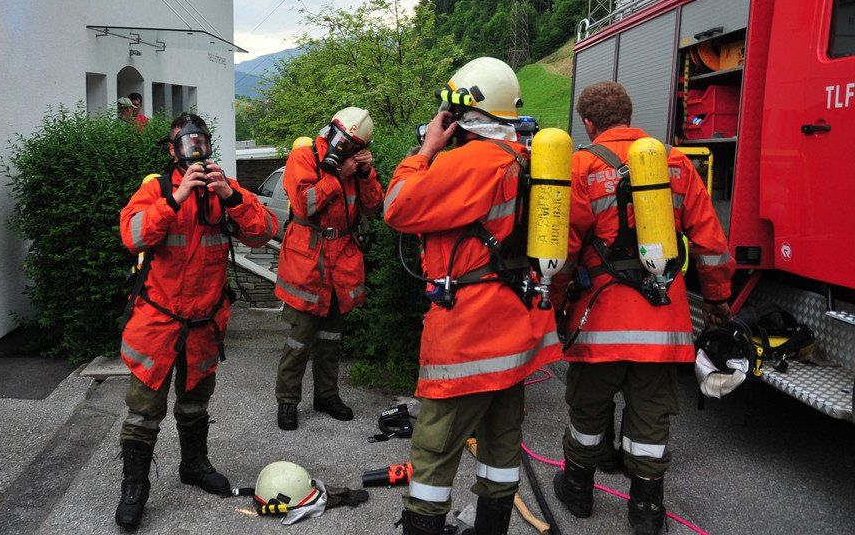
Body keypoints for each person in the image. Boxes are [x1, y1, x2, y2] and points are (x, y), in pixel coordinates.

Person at [383, 57, 562, 535]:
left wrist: (426, 150)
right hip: (516, 331)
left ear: (460, 114)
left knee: (433, 450)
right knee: (502, 448)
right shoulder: (527, 159)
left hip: (468, 335)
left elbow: (396, 206)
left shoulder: (470, 161)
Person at [549, 82, 735, 535]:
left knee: (588, 409)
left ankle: (578, 490)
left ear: (588, 123)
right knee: (651, 415)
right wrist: (716, 299)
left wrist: (554, 305)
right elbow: (710, 242)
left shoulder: (580, 167)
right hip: (661, 320)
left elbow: (563, 251)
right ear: (630, 116)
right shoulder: (674, 163)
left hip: (599, 319)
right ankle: (647, 510)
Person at [115, 112, 277, 531]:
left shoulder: (224, 189)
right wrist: (176, 198)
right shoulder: (156, 189)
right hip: (159, 321)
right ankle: (134, 487)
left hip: (204, 323)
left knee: (195, 403)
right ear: (173, 152)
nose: (195, 151)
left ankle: (194, 464)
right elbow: (133, 236)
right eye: (186, 144)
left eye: (200, 142)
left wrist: (231, 197)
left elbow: (264, 231)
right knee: (143, 411)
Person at [274, 107, 383, 431]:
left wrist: (365, 174)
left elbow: (373, 207)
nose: (343, 147)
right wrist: (338, 176)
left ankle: (326, 395)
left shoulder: (356, 167)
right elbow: (304, 203)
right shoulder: (304, 157)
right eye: (342, 140)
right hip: (307, 261)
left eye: (353, 145)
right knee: (300, 339)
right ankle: (287, 401)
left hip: (340, 262)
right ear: (331, 131)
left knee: (331, 337)